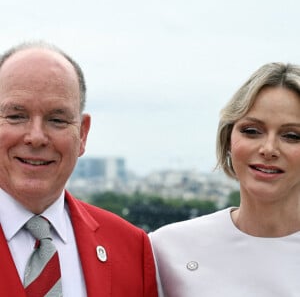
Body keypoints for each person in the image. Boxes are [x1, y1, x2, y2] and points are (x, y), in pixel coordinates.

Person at [0, 41, 158, 297]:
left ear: (82, 134)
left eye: (57, 120)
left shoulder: (131, 248)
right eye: (17, 116)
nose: (36, 137)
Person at [149, 62, 300, 296]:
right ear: (228, 138)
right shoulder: (166, 249)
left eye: (291, 135)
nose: (269, 148)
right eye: (252, 131)